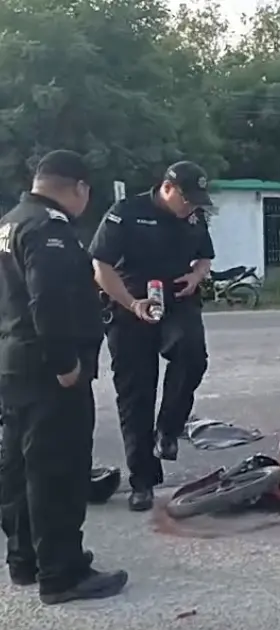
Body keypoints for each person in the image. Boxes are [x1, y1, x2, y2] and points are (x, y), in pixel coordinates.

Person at [0, 150, 128, 603]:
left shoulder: (12, 220)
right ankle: (62, 573)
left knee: (18, 468)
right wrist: (65, 363)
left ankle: (25, 561)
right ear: (79, 188)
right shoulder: (50, 230)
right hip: (49, 372)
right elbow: (47, 300)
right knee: (57, 471)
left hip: (15, 364)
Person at [89, 161, 215, 512]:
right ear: (167, 188)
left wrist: (196, 277)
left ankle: (169, 430)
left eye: (196, 202)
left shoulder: (193, 217)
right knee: (136, 396)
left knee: (193, 357)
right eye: (186, 199)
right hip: (129, 308)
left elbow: (204, 257)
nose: (190, 207)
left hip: (177, 304)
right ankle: (142, 481)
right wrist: (131, 303)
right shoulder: (126, 213)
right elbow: (101, 266)